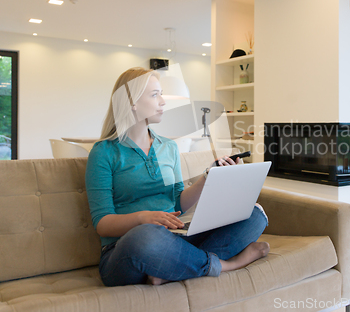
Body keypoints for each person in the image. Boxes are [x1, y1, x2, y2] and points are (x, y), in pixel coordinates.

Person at [85, 67, 269, 287]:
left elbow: (178, 203)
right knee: (145, 237)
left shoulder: (168, 147)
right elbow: (102, 224)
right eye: (155, 95)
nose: (163, 101)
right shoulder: (103, 152)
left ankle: (170, 269)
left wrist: (208, 177)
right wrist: (143, 218)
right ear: (132, 102)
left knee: (254, 214)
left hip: (174, 238)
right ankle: (225, 265)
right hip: (126, 249)